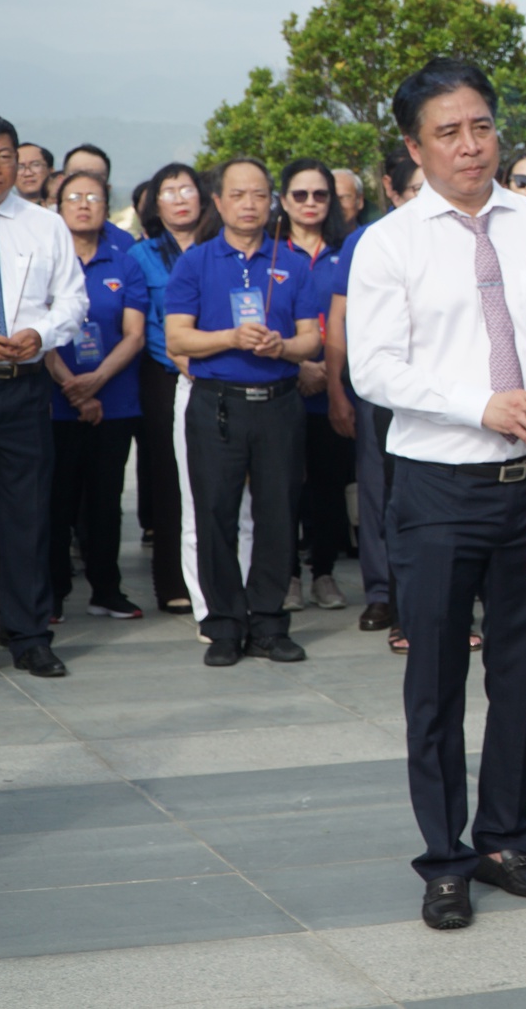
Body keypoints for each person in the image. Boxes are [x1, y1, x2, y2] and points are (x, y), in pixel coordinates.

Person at [347, 57, 526, 931]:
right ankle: (445, 857)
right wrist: (482, 404)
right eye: (448, 133)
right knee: (434, 681)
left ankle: (503, 835)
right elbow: (374, 368)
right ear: (416, 148)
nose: (470, 146)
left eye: (482, 127)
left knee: (524, 672)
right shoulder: (391, 241)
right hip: (437, 488)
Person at [165, 157, 320, 666]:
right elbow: (178, 337)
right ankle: (224, 624)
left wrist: (283, 347)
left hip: (278, 404)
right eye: (238, 195)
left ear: (271, 200)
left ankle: (270, 622)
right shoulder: (196, 261)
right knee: (215, 514)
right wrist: (231, 337)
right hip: (217, 405)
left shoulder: (292, 262)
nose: (249, 204)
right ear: (219, 202)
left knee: (278, 513)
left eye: (259, 194)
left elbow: (311, 339)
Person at [0, 115, 86, 680]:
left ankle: (30, 634)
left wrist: (44, 334)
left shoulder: (45, 225)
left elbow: (73, 302)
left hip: (25, 386)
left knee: (28, 517)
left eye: (5, 156)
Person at [325, 147, 421, 639]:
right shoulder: (369, 240)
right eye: (415, 192)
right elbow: (338, 320)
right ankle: (382, 594)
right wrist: (337, 387)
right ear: (392, 191)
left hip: (436, 395)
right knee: (379, 494)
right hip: (379, 392)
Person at [45, 169, 148, 621]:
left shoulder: (124, 261)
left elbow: (135, 334)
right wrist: (73, 386)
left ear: (107, 207)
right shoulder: (45, 259)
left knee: (106, 501)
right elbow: (37, 329)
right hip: (54, 400)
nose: (84, 204)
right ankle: (51, 592)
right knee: (55, 501)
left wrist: (96, 382)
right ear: (58, 206)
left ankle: (107, 589)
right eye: (74, 197)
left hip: (114, 400)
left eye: (94, 197)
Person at [275, 159, 352, 612]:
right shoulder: (269, 253)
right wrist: (301, 365)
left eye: (319, 195)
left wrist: (331, 373)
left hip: (336, 390)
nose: (310, 203)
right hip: (286, 386)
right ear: (283, 201)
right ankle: (287, 575)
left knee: (328, 488)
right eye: (300, 195)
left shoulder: (348, 252)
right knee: (284, 487)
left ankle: (324, 572)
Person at [130, 164, 206, 614]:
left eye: (187, 189)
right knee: (168, 479)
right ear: (155, 203)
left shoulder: (219, 248)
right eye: (169, 191)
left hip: (218, 370)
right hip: (163, 373)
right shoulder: (142, 256)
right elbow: (150, 325)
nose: (179, 199)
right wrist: (184, 358)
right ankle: (171, 581)